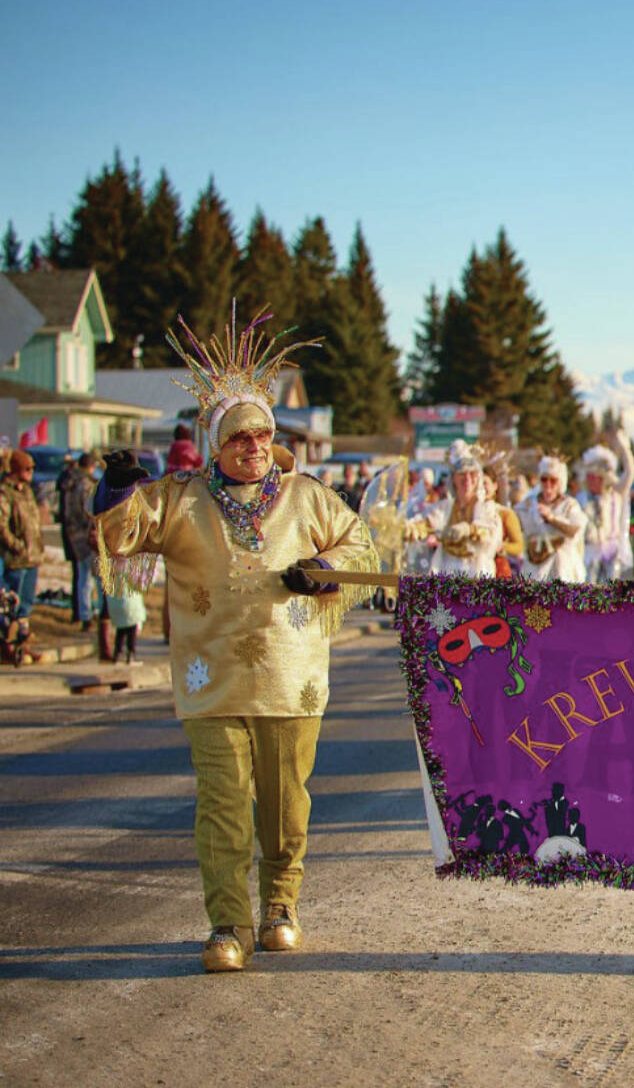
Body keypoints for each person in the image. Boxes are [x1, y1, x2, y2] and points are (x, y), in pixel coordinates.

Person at [93, 310, 377, 973]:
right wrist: (117, 487)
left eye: (262, 434)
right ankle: (228, 921)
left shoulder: (307, 497)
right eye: (239, 436)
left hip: (291, 677)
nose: (253, 446)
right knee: (222, 801)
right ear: (216, 444)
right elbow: (121, 534)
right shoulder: (181, 498)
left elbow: (361, 547)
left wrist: (325, 570)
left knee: (284, 804)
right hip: (210, 677)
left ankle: (280, 905)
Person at [408, 441, 504, 577]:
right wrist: (410, 528)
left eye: (472, 474)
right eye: (462, 474)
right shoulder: (444, 508)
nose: (467, 479)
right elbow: (426, 523)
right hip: (447, 575)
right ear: (453, 478)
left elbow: (493, 538)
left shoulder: (487, 509)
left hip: (477, 575)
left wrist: (470, 530)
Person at [516, 455, 588, 583]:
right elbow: (514, 522)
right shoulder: (528, 504)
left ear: (560, 482)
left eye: (553, 480)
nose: (548, 484)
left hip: (562, 567)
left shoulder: (569, 505)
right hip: (535, 566)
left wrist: (552, 519)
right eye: (544, 479)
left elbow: (575, 530)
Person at [0, 451, 44, 660]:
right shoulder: (5, 493)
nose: (31, 472)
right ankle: (8, 647)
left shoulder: (26, 491)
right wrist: (17, 546)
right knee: (11, 605)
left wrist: (38, 545)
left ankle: (22, 645)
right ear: (16, 469)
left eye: (32, 468)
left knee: (25, 606)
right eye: (27, 468)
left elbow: (33, 522)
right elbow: (2, 527)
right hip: (16, 559)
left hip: (32, 557)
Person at [577, 432, 634, 583]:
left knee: (610, 590)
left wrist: (625, 450)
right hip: (589, 552)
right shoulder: (581, 498)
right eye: (589, 476)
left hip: (611, 551)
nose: (591, 480)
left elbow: (630, 473)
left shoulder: (615, 494)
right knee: (588, 589)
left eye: (595, 477)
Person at [61, 452, 101, 630]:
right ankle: (97, 613)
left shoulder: (70, 482)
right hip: (88, 534)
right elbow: (89, 511)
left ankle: (83, 614)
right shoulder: (86, 485)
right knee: (96, 576)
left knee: (82, 575)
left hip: (74, 533)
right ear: (91, 466)